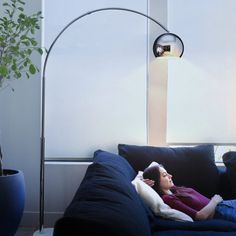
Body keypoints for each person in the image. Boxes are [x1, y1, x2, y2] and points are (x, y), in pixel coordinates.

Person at [143, 164, 236, 223]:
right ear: (156, 181)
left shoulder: (174, 189)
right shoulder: (168, 198)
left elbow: (153, 165)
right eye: (165, 175)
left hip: (226, 204)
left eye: (168, 173)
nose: (170, 176)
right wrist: (215, 201)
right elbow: (200, 216)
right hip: (221, 211)